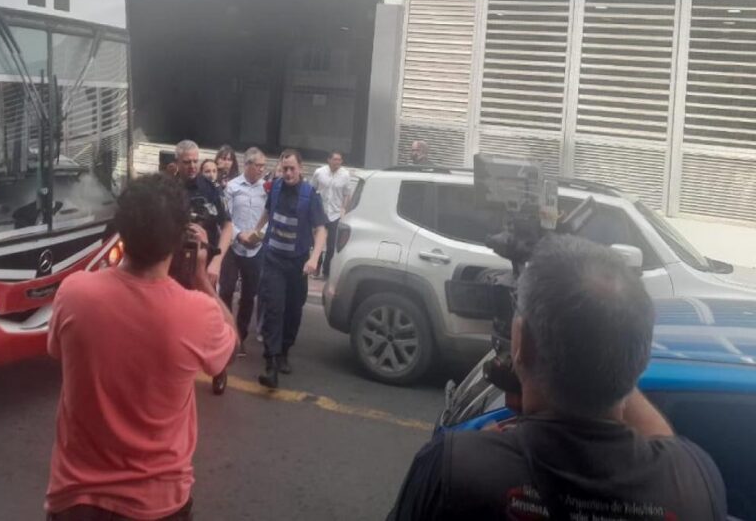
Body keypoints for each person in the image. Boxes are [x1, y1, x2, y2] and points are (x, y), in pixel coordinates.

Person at [386, 235, 727, 520]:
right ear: (640, 358)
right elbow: (665, 447)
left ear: (522, 345)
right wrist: (613, 345)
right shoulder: (696, 483)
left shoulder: (454, 471)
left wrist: (480, 454)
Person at [45, 174, 238, 521]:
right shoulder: (198, 312)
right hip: (158, 502)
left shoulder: (74, 292)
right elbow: (231, 345)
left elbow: (57, 352)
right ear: (179, 239)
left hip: (75, 497)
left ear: (121, 231)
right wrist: (201, 279)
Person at [241, 149, 327, 389]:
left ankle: (284, 352)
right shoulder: (276, 187)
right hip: (273, 259)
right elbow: (268, 212)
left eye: (292, 169)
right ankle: (271, 363)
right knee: (273, 308)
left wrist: (314, 258)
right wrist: (256, 232)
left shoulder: (310, 195)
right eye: (284, 168)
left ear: (301, 169)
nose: (288, 173)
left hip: (297, 263)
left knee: (293, 311)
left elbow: (321, 230)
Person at [220, 147, 268, 356]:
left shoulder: (267, 189)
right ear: (247, 165)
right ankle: (225, 333)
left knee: (249, 295)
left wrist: (258, 235)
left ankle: (240, 336)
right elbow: (226, 218)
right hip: (233, 245)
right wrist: (239, 235)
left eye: (263, 166)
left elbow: (270, 216)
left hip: (255, 248)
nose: (261, 169)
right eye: (258, 165)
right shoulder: (232, 187)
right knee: (226, 290)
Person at [172, 140, 233, 288]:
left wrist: (217, 262)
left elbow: (228, 226)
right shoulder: (167, 187)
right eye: (187, 162)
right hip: (173, 264)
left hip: (205, 263)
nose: (192, 166)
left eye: (195, 161)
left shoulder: (211, 187)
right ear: (177, 162)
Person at [311, 151, 351, 279]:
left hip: (335, 213)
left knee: (331, 245)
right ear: (329, 160)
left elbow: (347, 194)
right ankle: (316, 267)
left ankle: (326, 271)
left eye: (339, 160)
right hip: (320, 212)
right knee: (317, 242)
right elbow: (312, 190)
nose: (337, 162)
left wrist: (344, 209)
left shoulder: (345, 175)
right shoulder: (319, 172)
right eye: (335, 159)